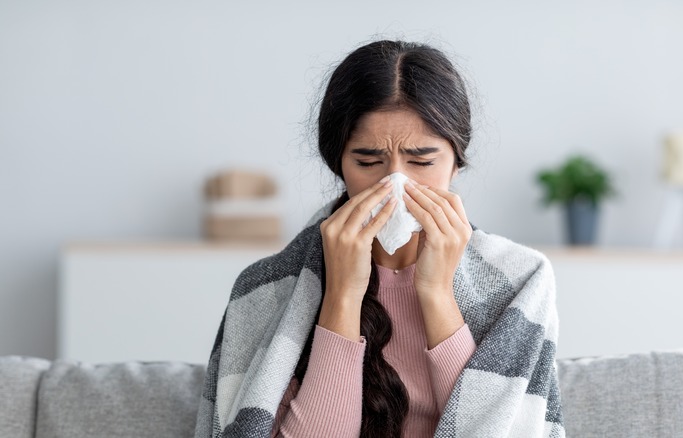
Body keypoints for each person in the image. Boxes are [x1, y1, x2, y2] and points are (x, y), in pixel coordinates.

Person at [195, 40, 565, 438]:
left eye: (422, 162)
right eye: (368, 162)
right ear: (339, 164)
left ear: (457, 162)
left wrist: (437, 292)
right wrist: (342, 295)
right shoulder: (265, 290)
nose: (395, 184)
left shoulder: (522, 280)